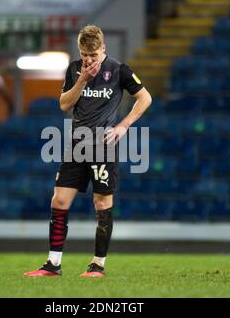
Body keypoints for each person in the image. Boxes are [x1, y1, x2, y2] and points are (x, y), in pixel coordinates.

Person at [24, 25, 152, 277]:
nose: (88, 60)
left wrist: (123, 126)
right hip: (76, 144)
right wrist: (82, 78)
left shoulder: (118, 70)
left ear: (103, 48)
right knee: (59, 200)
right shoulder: (74, 69)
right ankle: (53, 264)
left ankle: (97, 265)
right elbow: (64, 104)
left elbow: (145, 98)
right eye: (84, 55)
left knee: (101, 202)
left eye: (93, 55)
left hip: (103, 145)